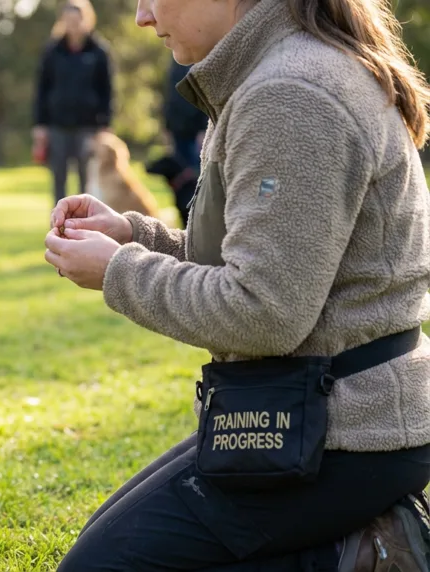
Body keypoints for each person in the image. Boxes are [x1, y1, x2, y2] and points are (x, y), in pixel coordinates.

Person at [44, 0, 430, 569]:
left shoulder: (291, 91)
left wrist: (118, 271)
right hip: (304, 414)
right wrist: (134, 236)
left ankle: (368, 556)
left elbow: (264, 311)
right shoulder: (275, 72)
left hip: (347, 434)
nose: (142, 17)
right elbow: (259, 261)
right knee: (101, 546)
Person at [32, 0, 113, 205]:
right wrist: (40, 124)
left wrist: (105, 124)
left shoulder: (98, 51)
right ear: (62, 21)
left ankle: (85, 226)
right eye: (68, 20)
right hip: (57, 124)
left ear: (86, 20)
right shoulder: (52, 51)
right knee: (58, 178)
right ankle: (59, 224)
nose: (73, 24)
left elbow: (107, 91)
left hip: (88, 126)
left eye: (77, 20)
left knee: (86, 180)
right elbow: (42, 89)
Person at [161, 55, 209, 175]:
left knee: (196, 174)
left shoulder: (204, 57)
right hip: (178, 128)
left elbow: (208, 98)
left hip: (196, 130)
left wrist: (204, 129)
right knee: (181, 176)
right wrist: (167, 126)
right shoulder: (177, 60)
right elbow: (171, 96)